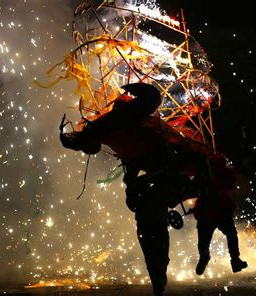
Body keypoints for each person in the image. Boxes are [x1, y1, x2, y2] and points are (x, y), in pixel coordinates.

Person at [60, 83, 206, 295]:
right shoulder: (122, 127)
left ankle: (158, 277)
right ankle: (158, 277)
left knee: (153, 235)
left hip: (162, 182)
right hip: (155, 191)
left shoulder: (131, 126)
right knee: (152, 235)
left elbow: (151, 101)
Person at [193, 153, 248, 275]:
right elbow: (193, 189)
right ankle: (205, 258)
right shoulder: (202, 174)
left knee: (231, 234)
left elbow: (229, 185)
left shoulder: (226, 174)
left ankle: (235, 259)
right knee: (204, 242)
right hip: (208, 212)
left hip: (219, 211)